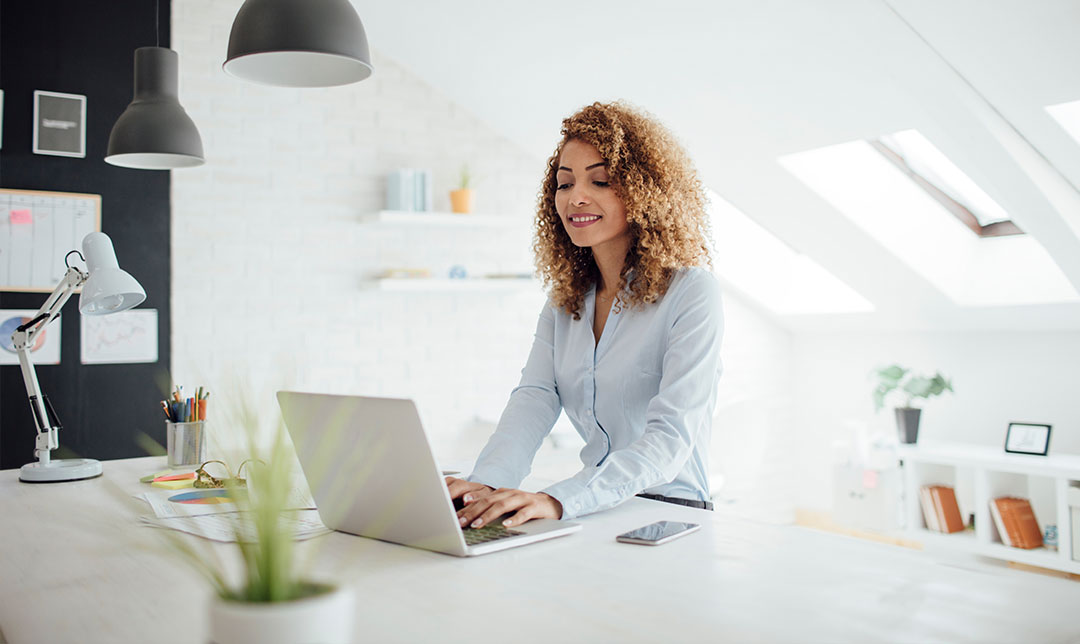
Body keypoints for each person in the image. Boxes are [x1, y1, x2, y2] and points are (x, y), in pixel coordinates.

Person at [446, 101, 723, 530]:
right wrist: (484, 486)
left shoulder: (691, 293)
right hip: (595, 507)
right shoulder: (565, 301)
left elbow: (669, 440)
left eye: (601, 180)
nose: (576, 197)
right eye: (564, 183)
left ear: (643, 191)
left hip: (671, 513)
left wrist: (557, 500)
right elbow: (534, 399)